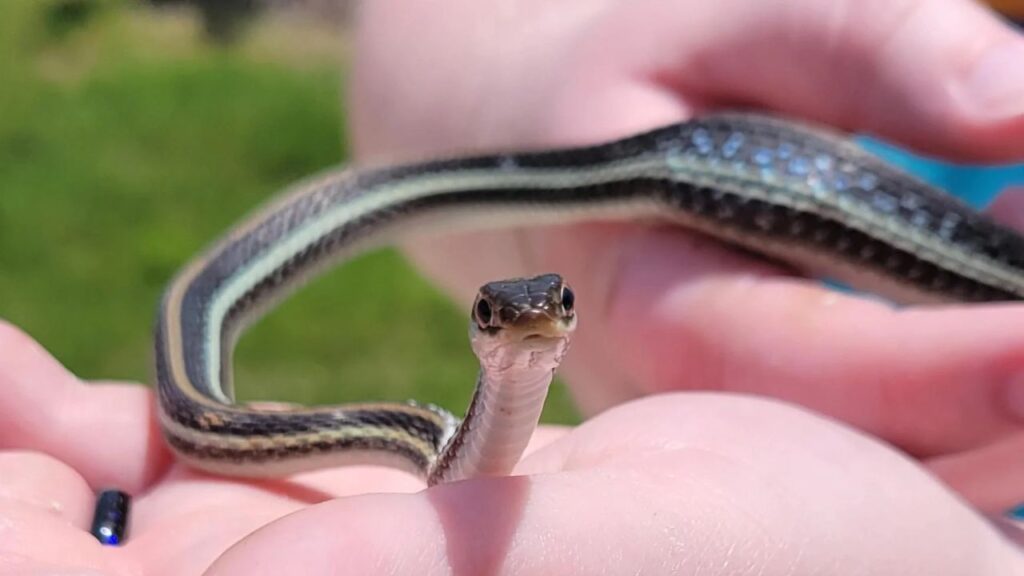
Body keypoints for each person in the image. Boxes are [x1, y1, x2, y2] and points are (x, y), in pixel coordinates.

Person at [3, 0, 1024, 573]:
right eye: (508, 316)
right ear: (482, 330)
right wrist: (542, 82)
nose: (532, 326)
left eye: (552, 313)